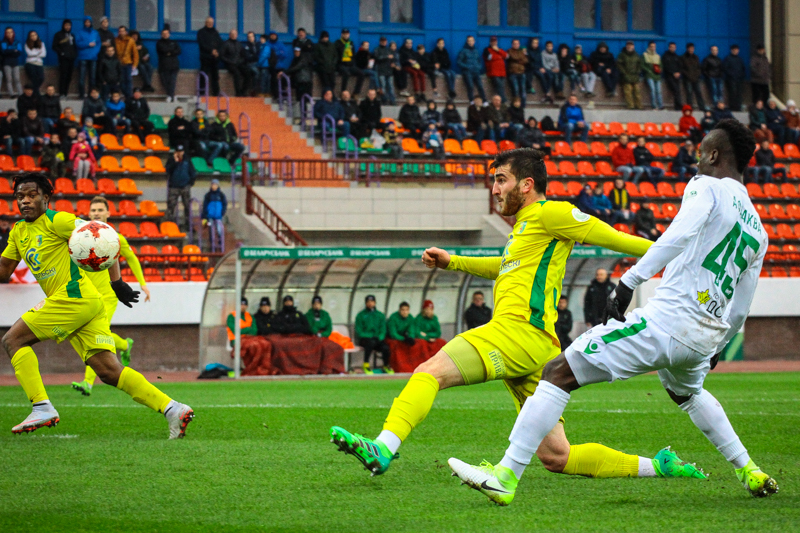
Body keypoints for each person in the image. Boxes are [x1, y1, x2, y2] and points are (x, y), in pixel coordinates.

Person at [448, 120, 777, 505]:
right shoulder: (759, 229)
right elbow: (742, 304)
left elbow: (678, 235)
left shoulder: (705, 186)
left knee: (557, 372)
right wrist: (720, 343)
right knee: (687, 393)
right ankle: (749, 469)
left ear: (714, 154)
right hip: (706, 334)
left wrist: (629, 280)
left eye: (702, 152)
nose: (697, 160)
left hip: (668, 322)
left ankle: (505, 475)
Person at [329, 148, 694, 483]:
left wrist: (678, 257)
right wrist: (452, 261)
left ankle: (384, 446)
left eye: (501, 179)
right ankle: (659, 466)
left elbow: (615, 238)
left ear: (527, 184)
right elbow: (504, 266)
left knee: (430, 371)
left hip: (518, 331)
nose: (495, 189)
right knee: (557, 455)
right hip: (537, 346)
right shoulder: (524, 227)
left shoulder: (552, 213)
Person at [0, 173, 193, 437]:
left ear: (46, 197)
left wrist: (117, 282)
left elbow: (102, 236)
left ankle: (42, 406)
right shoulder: (18, 232)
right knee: (108, 371)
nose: (25, 201)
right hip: (84, 302)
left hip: (73, 297)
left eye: (32, 195)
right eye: (20, 196)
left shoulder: (58, 220)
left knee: (13, 340)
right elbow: (4, 271)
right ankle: (173, 409)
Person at [70, 196, 150, 395]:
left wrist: (143, 283)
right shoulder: (80, 238)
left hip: (108, 294)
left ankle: (88, 382)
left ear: (108, 213)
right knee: (90, 333)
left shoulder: (115, 238)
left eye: (100, 210)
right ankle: (124, 344)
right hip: (87, 294)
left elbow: (131, 258)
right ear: (88, 214)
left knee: (97, 335)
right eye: (93, 210)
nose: (96, 213)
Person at [354, 294, 391, 374]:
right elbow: (359, 331)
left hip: (377, 339)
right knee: (370, 343)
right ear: (366, 303)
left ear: (375, 302)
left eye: (372, 301)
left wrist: (379, 337)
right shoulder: (361, 315)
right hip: (365, 339)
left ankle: (386, 365)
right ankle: (366, 364)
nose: (370, 303)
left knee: (385, 347)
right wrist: (370, 336)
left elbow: (383, 329)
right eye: (368, 302)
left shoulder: (380, 315)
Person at [165, 145, 196, 229]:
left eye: (181, 151)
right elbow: (167, 170)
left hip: (185, 186)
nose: (180, 153)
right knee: (171, 206)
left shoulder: (187, 160)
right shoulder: (171, 160)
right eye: (178, 151)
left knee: (187, 206)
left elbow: (192, 172)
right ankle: (170, 224)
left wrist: (191, 183)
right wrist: (174, 162)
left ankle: (188, 224)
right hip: (174, 187)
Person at [75, 17, 100, 99]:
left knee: (92, 78)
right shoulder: (80, 32)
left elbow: (98, 44)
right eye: (86, 22)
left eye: (89, 22)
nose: (87, 23)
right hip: (83, 57)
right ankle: (81, 94)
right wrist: (88, 44)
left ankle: (91, 95)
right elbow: (78, 44)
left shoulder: (95, 33)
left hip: (93, 58)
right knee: (81, 78)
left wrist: (95, 53)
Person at [197, 17, 222, 97]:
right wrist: (211, 50)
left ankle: (216, 93)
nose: (210, 24)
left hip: (214, 58)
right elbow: (202, 44)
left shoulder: (215, 32)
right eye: (209, 22)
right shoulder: (201, 32)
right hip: (205, 57)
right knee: (203, 75)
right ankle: (202, 93)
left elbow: (220, 43)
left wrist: (217, 52)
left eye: (212, 23)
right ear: (206, 22)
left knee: (215, 76)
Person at [457, 36, 486, 103]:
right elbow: (459, 62)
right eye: (469, 41)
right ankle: (471, 101)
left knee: (480, 86)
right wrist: (467, 67)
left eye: (472, 40)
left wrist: (479, 67)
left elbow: (479, 61)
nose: (471, 42)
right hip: (467, 72)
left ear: (474, 41)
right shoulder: (463, 51)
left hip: (476, 72)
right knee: (470, 86)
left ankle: (484, 101)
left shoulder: (476, 51)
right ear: (467, 42)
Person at [52, 19, 77, 97]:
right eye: (66, 25)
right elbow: (54, 46)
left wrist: (74, 54)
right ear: (63, 26)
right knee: (63, 75)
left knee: (69, 76)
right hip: (63, 59)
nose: (68, 27)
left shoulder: (72, 35)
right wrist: (61, 53)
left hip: (71, 59)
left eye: (69, 25)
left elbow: (74, 46)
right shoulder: (58, 35)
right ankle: (61, 93)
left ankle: (66, 92)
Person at [156, 26, 181, 102]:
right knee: (166, 81)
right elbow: (163, 50)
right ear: (161, 35)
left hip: (174, 65)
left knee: (172, 81)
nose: (165, 35)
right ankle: (172, 96)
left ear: (169, 34)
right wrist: (171, 51)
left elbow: (179, 51)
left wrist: (170, 52)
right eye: (164, 34)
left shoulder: (174, 42)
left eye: (166, 33)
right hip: (164, 66)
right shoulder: (159, 43)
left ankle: (170, 96)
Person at [335, 29, 364, 95]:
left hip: (350, 64)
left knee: (361, 74)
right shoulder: (338, 43)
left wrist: (352, 62)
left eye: (347, 34)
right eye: (344, 34)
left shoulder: (351, 43)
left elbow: (353, 54)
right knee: (346, 73)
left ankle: (356, 93)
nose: (346, 35)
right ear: (342, 34)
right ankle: (343, 92)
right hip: (341, 64)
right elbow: (336, 55)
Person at [220, 30, 248, 97]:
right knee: (237, 74)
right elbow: (221, 56)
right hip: (230, 64)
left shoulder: (239, 44)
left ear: (237, 35)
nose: (233, 35)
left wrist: (240, 61)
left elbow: (243, 55)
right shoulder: (225, 44)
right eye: (232, 34)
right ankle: (238, 93)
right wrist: (230, 61)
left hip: (239, 64)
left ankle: (243, 91)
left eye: (235, 34)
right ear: (229, 35)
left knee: (248, 73)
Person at [202, 178, 227, 252]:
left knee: (219, 229)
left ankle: (220, 243)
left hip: (218, 216)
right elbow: (205, 205)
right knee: (210, 229)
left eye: (215, 185)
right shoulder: (208, 195)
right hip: (210, 216)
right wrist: (204, 215)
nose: (214, 186)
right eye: (213, 184)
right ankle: (212, 244)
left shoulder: (221, 195)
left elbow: (224, 204)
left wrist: (222, 212)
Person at [114, 27, 138, 100]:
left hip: (128, 63)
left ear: (126, 32)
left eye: (123, 31)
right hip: (119, 64)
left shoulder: (130, 40)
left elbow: (135, 54)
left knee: (128, 81)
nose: (121, 33)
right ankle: (127, 95)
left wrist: (135, 65)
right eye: (120, 31)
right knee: (121, 82)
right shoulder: (115, 40)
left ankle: (129, 97)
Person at [617, 41, 642, 110]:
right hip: (626, 76)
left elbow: (639, 64)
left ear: (633, 46)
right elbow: (619, 64)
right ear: (626, 46)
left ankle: (639, 106)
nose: (629, 47)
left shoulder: (636, 55)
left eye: (631, 45)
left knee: (637, 91)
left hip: (635, 76)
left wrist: (638, 71)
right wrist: (624, 73)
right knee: (628, 91)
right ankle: (631, 106)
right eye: (628, 45)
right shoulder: (622, 55)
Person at [483, 36, 508, 102]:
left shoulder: (500, 49)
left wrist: (498, 51)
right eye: (492, 41)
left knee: (500, 87)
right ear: (490, 42)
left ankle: (498, 101)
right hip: (493, 72)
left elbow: (507, 56)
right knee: (499, 86)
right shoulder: (487, 49)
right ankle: (503, 101)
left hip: (502, 72)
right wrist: (499, 56)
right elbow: (490, 57)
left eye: (495, 41)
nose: (494, 42)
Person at [681, 43, 705, 111]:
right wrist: (689, 76)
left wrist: (697, 75)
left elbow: (699, 68)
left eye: (692, 48)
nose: (691, 50)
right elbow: (682, 69)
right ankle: (690, 107)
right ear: (687, 49)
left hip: (696, 78)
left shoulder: (696, 57)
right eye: (690, 48)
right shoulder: (683, 58)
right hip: (687, 79)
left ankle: (702, 107)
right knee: (689, 93)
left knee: (698, 92)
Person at [374, 36, 397, 104]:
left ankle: (392, 100)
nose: (384, 43)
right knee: (383, 86)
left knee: (391, 86)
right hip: (381, 70)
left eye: (385, 41)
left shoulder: (389, 50)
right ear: (380, 42)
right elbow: (377, 58)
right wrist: (386, 57)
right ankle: (384, 100)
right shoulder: (377, 49)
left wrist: (393, 63)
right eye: (382, 41)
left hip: (389, 70)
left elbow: (393, 58)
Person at [723, 44, 746, 111]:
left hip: (739, 79)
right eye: (734, 50)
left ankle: (738, 107)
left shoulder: (740, 59)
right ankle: (732, 107)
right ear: (731, 50)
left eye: (737, 50)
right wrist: (732, 75)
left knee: (739, 93)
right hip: (731, 80)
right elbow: (725, 68)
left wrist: (741, 76)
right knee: (732, 93)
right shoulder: (728, 58)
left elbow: (743, 69)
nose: (736, 51)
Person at [506, 39, 529, 105]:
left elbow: (526, 60)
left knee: (523, 90)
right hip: (513, 73)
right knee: (516, 90)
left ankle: (523, 105)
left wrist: (517, 60)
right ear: (512, 44)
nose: (516, 45)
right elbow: (513, 57)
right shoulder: (509, 51)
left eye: (517, 44)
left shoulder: (521, 51)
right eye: (515, 44)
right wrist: (520, 59)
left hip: (521, 72)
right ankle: (516, 104)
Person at [2, 27, 23, 97]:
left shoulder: (17, 42)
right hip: (6, 62)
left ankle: (21, 94)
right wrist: (13, 50)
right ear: (5, 34)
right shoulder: (3, 42)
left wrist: (10, 51)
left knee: (17, 79)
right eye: (7, 32)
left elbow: (19, 52)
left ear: (13, 33)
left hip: (15, 62)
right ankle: (11, 94)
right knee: (9, 79)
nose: (9, 34)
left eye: (11, 32)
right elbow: (4, 51)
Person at [266, 32, 289, 97]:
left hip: (280, 66)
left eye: (274, 35)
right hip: (271, 66)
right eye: (272, 35)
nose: (273, 37)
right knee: (273, 80)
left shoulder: (280, 44)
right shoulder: (267, 44)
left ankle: (284, 95)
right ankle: (275, 95)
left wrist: (276, 53)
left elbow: (285, 54)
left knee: (283, 80)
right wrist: (278, 53)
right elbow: (267, 54)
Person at [642, 41, 663, 110]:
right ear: (648, 47)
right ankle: (654, 105)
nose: (653, 48)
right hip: (649, 75)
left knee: (659, 91)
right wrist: (648, 70)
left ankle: (660, 106)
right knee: (652, 90)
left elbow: (661, 66)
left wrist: (660, 70)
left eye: (654, 46)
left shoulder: (657, 56)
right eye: (651, 46)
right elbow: (642, 65)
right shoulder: (645, 55)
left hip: (657, 76)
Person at [242, 32, 260, 96]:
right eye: (249, 37)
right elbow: (247, 57)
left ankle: (263, 91)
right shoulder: (246, 46)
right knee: (256, 72)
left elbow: (260, 54)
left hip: (258, 63)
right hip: (250, 64)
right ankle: (253, 90)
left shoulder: (258, 45)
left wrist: (254, 56)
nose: (250, 38)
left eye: (252, 36)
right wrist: (255, 56)